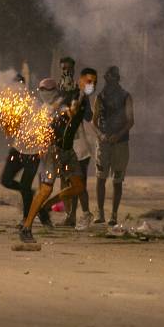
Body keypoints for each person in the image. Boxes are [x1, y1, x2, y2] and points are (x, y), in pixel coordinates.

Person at [19, 78, 86, 244]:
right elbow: (53, 117)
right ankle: (26, 227)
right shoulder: (45, 109)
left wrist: (74, 106)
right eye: (43, 89)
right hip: (51, 152)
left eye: (49, 89)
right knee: (45, 190)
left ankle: (47, 205)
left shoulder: (66, 105)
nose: (46, 93)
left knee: (78, 186)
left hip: (67, 151)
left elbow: (70, 114)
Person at [0, 74, 45, 227]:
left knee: (25, 185)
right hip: (18, 149)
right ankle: (32, 197)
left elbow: (41, 127)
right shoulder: (11, 104)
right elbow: (10, 130)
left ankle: (27, 219)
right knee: (5, 180)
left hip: (33, 152)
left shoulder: (34, 103)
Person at [93, 65, 134, 226]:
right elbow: (94, 121)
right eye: (107, 79)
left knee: (117, 181)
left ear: (117, 79)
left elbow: (131, 121)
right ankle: (100, 212)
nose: (110, 82)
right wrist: (101, 135)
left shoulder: (126, 97)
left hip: (120, 144)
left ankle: (114, 215)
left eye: (112, 78)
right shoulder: (100, 98)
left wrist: (119, 135)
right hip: (103, 144)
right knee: (100, 178)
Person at [66, 67, 98, 230]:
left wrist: (81, 102)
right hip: (70, 148)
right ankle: (72, 216)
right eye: (89, 81)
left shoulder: (83, 98)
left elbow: (88, 117)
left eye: (93, 82)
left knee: (79, 184)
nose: (91, 84)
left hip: (81, 150)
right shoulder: (72, 95)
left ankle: (85, 214)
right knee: (72, 184)